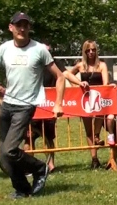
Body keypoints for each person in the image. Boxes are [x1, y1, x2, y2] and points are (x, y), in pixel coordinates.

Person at [0, 12, 65, 199]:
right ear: (11, 27)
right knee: (3, 155)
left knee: (9, 150)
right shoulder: (4, 49)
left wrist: (58, 103)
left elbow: (60, 77)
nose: (22, 28)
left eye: (26, 25)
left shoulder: (39, 50)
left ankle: (40, 168)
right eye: (19, 25)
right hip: (7, 104)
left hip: (26, 106)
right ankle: (22, 189)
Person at [24, 43, 89, 174]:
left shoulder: (54, 62)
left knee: (49, 136)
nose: (47, 54)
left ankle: (51, 164)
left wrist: (79, 83)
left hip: (49, 105)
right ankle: (29, 166)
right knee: (29, 136)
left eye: (49, 51)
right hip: (32, 104)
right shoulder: (32, 61)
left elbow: (65, 74)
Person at [70, 40, 110, 169]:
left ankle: (97, 136)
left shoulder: (102, 65)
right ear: (84, 52)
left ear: (96, 51)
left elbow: (105, 84)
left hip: (98, 101)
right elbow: (67, 74)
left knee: (96, 126)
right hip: (85, 101)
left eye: (93, 49)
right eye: (88, 50)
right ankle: (94, 159)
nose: (91, 52)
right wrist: (76, 86)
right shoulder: (80, 65)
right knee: (88, 131)